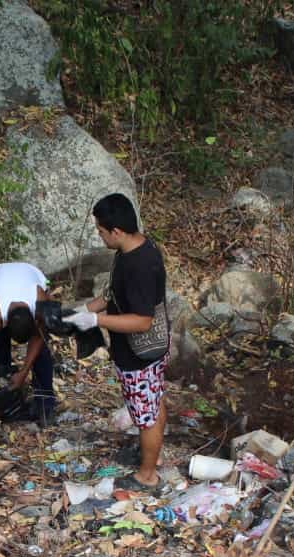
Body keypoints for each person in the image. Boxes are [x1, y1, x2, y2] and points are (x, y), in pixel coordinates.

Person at [67, 193, 170, 491]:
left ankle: (147, 475)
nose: (99, 236)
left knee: (145, 415)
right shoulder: (131, 250)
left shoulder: (140, 265)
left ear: (117, 230)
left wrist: (97, 321)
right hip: (150, 346)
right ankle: (154, 457)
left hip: (141, 352)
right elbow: (114, 294)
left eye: (100, 231)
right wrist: (84, 311)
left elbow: (142, 320)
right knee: (153, 400)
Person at [0, 261, 55, 426]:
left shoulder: (40, 303)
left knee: (42, 352)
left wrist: (24, 372)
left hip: (31, 273)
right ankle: (2, 388)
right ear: (4, 322)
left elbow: (38, 338)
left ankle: (46, 403)